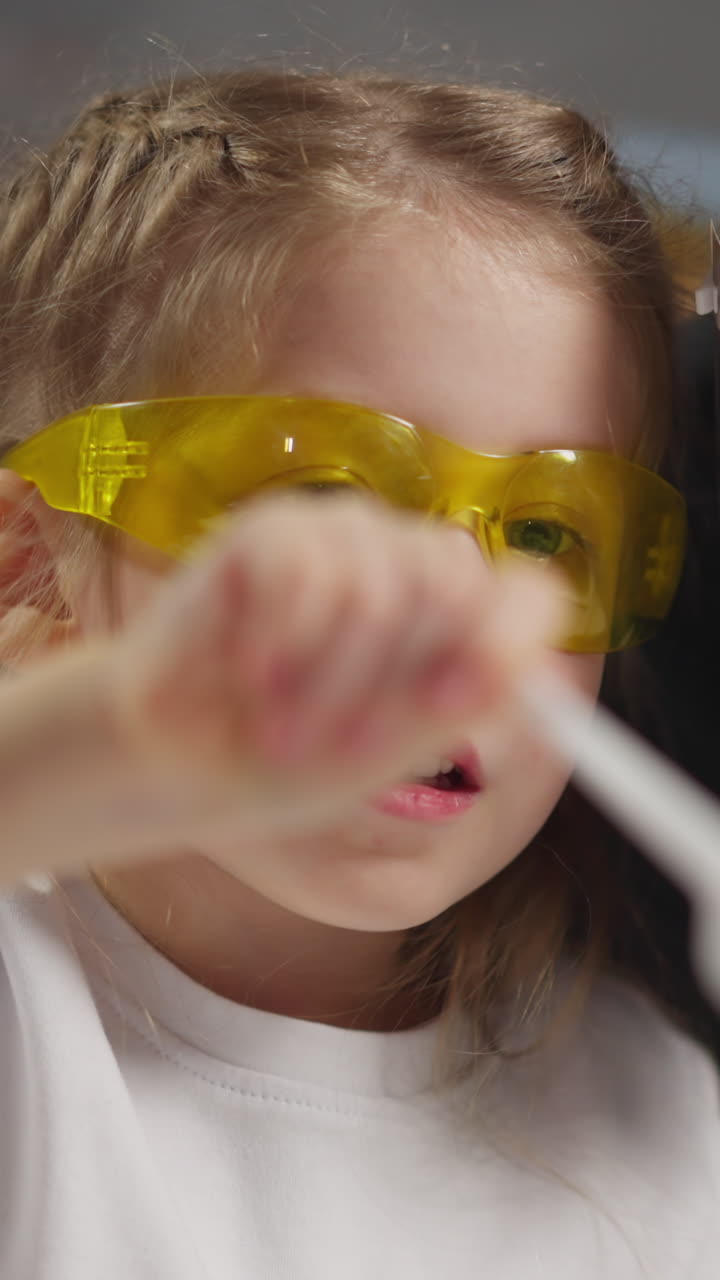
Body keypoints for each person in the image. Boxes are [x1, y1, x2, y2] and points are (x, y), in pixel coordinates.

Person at [0, 68, 716, 1279]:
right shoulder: (31, 1011)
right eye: (326, 501)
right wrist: (134, 727)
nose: (448, 626)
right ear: (33, 553)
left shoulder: (667, 1122)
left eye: (547, 530)